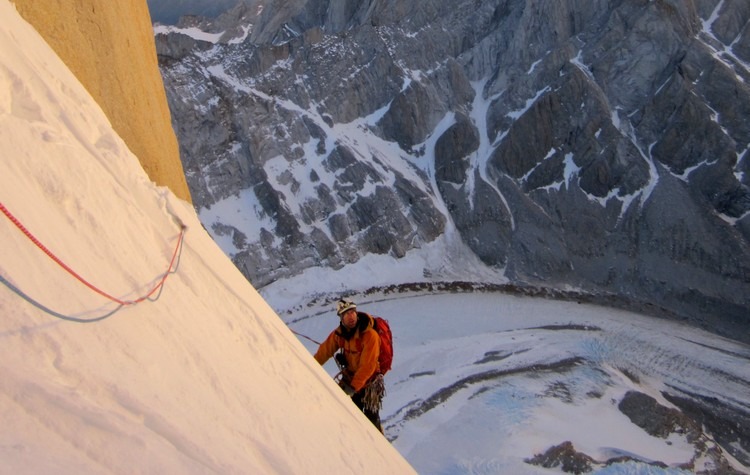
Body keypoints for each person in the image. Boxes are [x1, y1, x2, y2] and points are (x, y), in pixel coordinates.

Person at [314, 298, 385, 432]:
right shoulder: (339, 334)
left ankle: (377, 444)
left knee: (370, 418)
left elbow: (368, 366)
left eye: (352, 312)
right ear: (341, 318)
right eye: (346, 314)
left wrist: (352, 388)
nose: (350, 316)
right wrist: (311, 365)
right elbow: (324, 351)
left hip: (369, 383)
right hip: (351, 379)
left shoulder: (370, 335)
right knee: (349, 416)